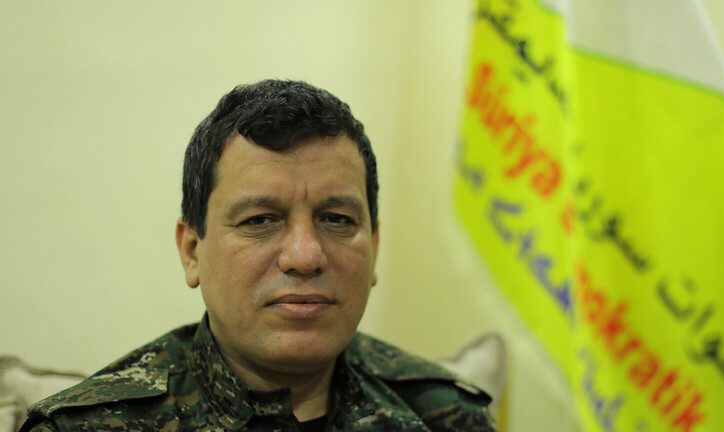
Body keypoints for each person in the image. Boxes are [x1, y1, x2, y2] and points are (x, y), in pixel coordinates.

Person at [21, 80, 496, 431]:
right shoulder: (87, 427)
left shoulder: (448, 417)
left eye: (336, 219)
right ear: (192, 251)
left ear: (374, 248)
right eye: (260, 220)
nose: (305, 256)